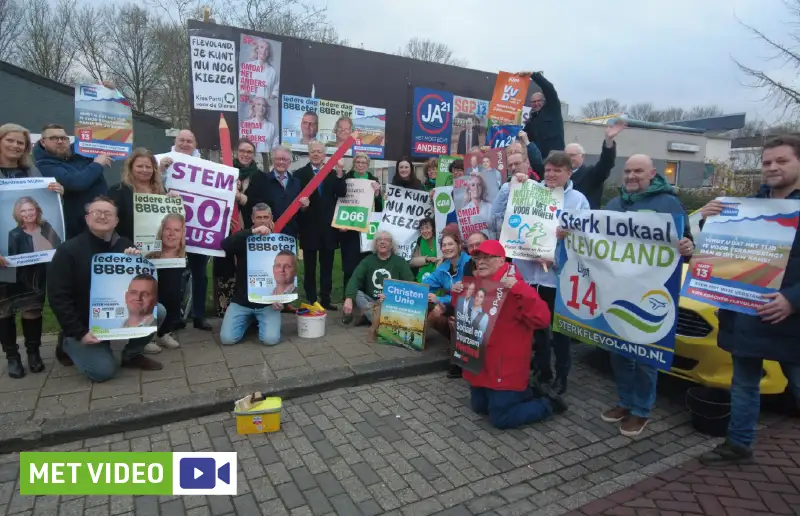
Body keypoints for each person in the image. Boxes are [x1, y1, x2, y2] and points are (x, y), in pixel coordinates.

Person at [699, 135, 800, 466]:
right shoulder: (746, 206)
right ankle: (738, 444)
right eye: (767, 162)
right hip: (746, 316)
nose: (772, 167)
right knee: (743, 385)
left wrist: (792, 300)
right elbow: (718, 253)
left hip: (790, 320)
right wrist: (708, 219)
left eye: (781, 161)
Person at [599, 154, 694, 437]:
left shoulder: (668, 203)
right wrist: (570, 234)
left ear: (652, 173)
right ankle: (624, 402)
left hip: (651, 293)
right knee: (618, 352)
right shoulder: (615, 204)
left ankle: (641, 410)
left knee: (645, 357)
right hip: (618, 292)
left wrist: (688, 246)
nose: (631, 176)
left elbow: (687, 242)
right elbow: (594, 236)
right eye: (627, 171)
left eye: (638, 171)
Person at [495, 151, 591, 394]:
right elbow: (506, 219)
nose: (550, 174)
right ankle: (542, 370)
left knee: (559, 332)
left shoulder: (578, 200)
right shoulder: (529, 190)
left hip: (556, 279)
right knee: (535, 328)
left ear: (569, 172)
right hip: (528, 275)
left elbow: (588, 239)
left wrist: (567, 237)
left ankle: (561, 376)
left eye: (557, 170)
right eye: (548, 170)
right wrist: (512, 185)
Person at [48, 196, 166, 381]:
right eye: (97, 212)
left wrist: (135, 261)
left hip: (114, 315)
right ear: (87, 218)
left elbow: (142, 283)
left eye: (108, 213)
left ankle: (131, 355)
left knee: (158, 311)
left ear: (116, 220)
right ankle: (66, 342)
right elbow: (58, 297)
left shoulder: (125, 245)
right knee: (103, 372)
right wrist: (79, 332)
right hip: (84, 323)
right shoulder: (68, 251)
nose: (103, 216)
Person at [460, 240, 565, 429]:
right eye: (478, 258)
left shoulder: (515, 285)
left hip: (504, 368)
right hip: (482, 364)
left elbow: (542, 319)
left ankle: (548, 404)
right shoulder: (477, 284)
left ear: (502, 260)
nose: (481, 262)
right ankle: (527, 391)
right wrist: (456, 295)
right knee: (479, 407)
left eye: (487, 257)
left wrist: (518, 287)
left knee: (501, 418)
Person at [0, 123, 64, 378]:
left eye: (21, 143)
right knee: (3, 309)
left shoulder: (31, 170)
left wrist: (57, 192)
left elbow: (47, 206)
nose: (16, 146)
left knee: (33, 306)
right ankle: (12, 356)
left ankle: (34, 353)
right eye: (11, 141)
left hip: (33, 254)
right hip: (3, 255)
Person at [108, 148, 181, 352]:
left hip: (164, 252)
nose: (144, 170)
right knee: (145, 293)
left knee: (171, 290)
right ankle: (145, 337)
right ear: (131, 167)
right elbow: (111, 223)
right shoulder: (119, 191)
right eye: (139, 166)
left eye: (148, 166)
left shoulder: (161, 191)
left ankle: (165, 331)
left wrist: (173, 201)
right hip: (135, 253)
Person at [158, 130, 210, 331]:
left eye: (189, 140)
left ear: (195, 143)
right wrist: (161, 171)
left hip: (199, 227)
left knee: (200, 273)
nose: (185, 144)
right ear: (175, 141)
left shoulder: (205, 164)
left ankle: (199, 315)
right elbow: (150, 187)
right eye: (182, 140)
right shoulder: (162, 161)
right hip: (172, 226)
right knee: (172, 273)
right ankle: (172, 317)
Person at [219, 203, 284, 346]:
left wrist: (282, 298)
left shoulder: (280, 241)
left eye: (266, 217)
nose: (262, 221)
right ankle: (249, 319)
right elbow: (224, 245)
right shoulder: (244, 238)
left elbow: (288, 275)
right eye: (259, 217)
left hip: (268, 303)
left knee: (270, 340)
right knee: (227, 339)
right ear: (252, 219)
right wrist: (252, 232)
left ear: (271, 218)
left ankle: (257, 320)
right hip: (242, 301)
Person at [34, 124, 110, 239]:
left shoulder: (79, 154)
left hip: (102, 222)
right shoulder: (44, 164)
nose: (60, 141)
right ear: (43, 142)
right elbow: (77, 182)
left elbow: (97, 137)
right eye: (54, 138)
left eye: (64, 138)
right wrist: (98, 164)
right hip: (77, 230)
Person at [295, 141, 346, 310]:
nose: (316, 154)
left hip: (328, 230)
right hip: (309, 229)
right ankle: (311, 300)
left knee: (327, 267)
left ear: (324, 155)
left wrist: (340, 173)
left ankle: (326, 299)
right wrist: (303, 206)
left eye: (319, 151)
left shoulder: (332, 174)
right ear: (308, 154)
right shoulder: (300, 174)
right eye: (313, 151)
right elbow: (296, 203)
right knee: (309, 268)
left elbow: (342, 193)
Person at [342, 231, 413, 325]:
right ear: (375, 244)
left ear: (391, 245)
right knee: (357, 294)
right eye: (379, 240)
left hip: (391, 302)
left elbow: (410, 283)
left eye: (386, 240)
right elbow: (355, 279)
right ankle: (379, 321)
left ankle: (372, 319)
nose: (382, 242)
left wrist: (394, 298)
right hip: (372, 302)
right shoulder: (368, 261)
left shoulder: (399, 262)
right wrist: (348, 298)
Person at [340, 153, 383, 292]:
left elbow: (379, 207)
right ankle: (348, 296)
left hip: (367, 228)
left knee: (367, 264)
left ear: (367, 165)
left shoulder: (374, 180)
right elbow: (340, 201)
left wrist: (377, 194)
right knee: (349, 266)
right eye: (358, 162)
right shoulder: (347, 179)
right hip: (350, 228)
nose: (360, 165)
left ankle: (366, 296)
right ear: (354, 163)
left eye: (363, 163)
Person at [246, 146, 302, 239]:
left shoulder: (296, 182)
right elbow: (255, 204)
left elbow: (299, 209)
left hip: (290, 233)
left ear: (289, 162)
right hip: (266, 232)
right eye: (278, 159)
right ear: (272, 160)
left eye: (284, 159)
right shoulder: (262, 180)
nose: (281, 162)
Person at [569, 120, 626, 209]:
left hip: (587, 219)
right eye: (566, 155)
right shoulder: (560, 175)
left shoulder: (591, 174)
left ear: (582, 156)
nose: (568, 158)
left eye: (572, 155)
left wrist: (609, 141)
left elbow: (606, 164)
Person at [424, 229, 470, 339]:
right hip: (451, 305)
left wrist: (439, 299)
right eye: (444, 245)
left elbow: (465, 295)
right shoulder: (443, 267)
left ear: (459, 245)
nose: (447, 248)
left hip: (467, 307)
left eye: (450, 244)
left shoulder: (469, 263)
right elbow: (426, 285)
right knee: (428, 309)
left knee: (437, 311)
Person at [520, 71, 566, 159]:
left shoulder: (553, 110)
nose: (536, 103)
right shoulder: (531, 122)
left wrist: (533, 75)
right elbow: (522, 136)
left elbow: (549, 89)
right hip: (539, 161)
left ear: (544, 101)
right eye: (533, 102)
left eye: (539, 101)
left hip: (555, 158)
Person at [409, 217, 437, 283]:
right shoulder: (418, 241)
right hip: (422, 278)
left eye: (427, 228)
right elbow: (412, 262)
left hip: (438, 277)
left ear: (433, 229)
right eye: (422, 228)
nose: (424, 231)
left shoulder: (439, 239)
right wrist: (426, 259)